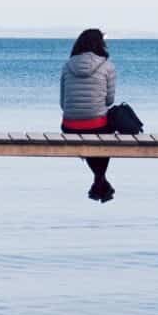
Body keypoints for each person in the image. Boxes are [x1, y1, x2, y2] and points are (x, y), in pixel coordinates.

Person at [60, 27, 120, 202]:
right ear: (101, 45)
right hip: (98, 126)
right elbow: (109, 101)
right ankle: (100, 181)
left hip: (70, 126)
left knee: (90, 134)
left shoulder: (67, 65)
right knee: (107, 129)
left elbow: (62, 104)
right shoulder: (107, 66)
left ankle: (100, 183)